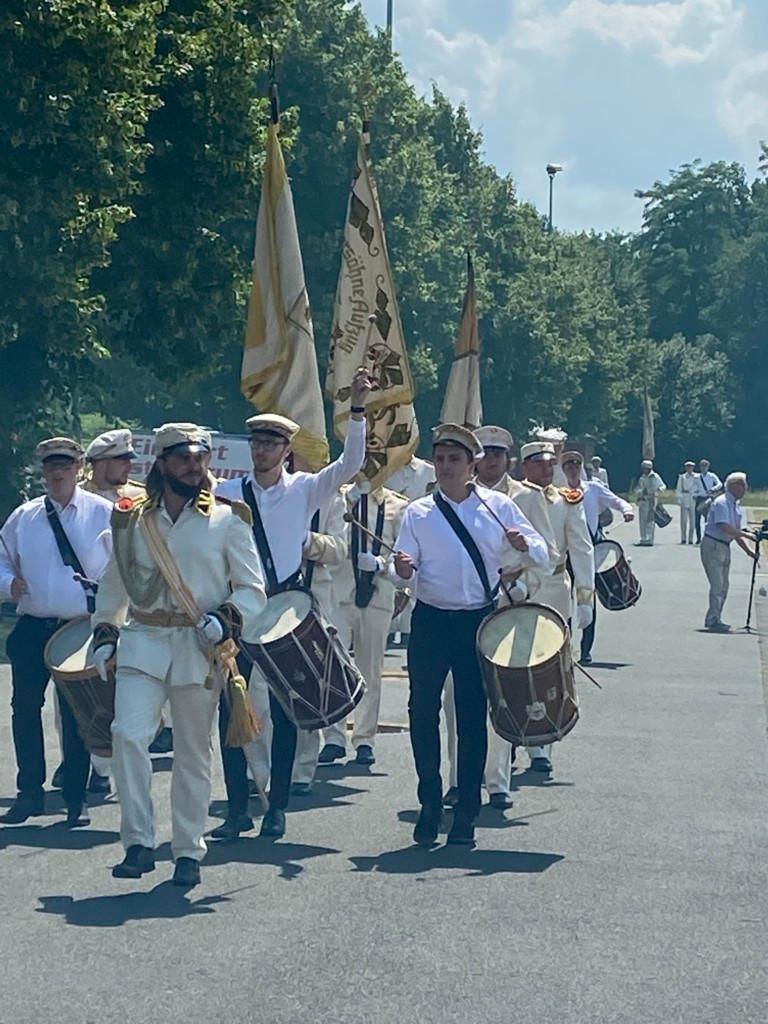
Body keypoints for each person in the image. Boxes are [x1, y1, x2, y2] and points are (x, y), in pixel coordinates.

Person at [91, 422, 266, 887]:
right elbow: (115, 581)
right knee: (127, 735)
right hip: (144, 639)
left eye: (201, 457)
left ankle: (188, 850)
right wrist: (105, 632)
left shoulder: (228, 519)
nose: (195, 466)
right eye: (185, 457)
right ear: (162, 464)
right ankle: (138, 843)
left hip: (197, 644)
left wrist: (226, 618)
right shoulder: (132, 518)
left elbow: (253, 589)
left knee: (192, 751)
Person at [213, 368, 371, 840]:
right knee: (233, 712)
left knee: (285, 713)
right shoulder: (227, 494)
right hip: (241, 609)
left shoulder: (304, 490)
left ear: (287, 450)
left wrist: (358, 408)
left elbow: (350, 463)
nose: (261, 450)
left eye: (270, 443)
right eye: (256, 442)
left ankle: (276, 805)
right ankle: (238, 806)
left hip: (284, 609)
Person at [394, 423, 549, 848]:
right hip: (429, 619)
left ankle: (466, 813)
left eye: (454, 460)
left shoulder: (498, 507)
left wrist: (523, 542)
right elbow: (400, 567)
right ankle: (429, 801)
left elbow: (544, 555)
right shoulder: (418, 511)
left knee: (470, 716)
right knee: (421, 712)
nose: (445, 467)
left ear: (472, 465)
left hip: (475, 621)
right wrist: (401, 570)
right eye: (440, 460)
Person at [0, 438, 113, 826]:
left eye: (64, 463)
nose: (57, 471)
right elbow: (2, 561)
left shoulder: (103, 513)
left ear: (80, 466)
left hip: (78, 627)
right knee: (24, 710)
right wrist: (7, 584)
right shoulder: (24, 517)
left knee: (78, 714)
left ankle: (75, 798)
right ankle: (29, 792)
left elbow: (123, 568)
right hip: (33, 625)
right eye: (51, 465)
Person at [446, 425, 558, 809]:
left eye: (498, 454)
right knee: (454, 700)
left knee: (500, 696)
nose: (491, 460)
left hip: (507, 607)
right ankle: (459, 780)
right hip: (459, 609)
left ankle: (496, 782)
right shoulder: (453, 496)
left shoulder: (526, 498)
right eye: (485, 453)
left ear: (508, 459)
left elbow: (549, 555)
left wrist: (524, 584)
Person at [318, 478, 408, 766]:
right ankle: (333, 736)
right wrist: (351, 499)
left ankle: (365, 738)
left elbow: (404, 556)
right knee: (334, 667)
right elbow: (328, 536)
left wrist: (382, 564)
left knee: (371, 670)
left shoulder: (398, 506)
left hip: (378, 594)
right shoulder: (339, 497)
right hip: (340, 593)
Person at [516, 442, 594, 771]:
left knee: (551, 668)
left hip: (555, 589)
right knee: (517, 666)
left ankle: (543, 741)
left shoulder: (567, 500)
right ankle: (511, 733)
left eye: (550, 464)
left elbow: (581, 547)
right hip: (519, 589)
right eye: (539, 464)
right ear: (525, 467)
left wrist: (585, 596)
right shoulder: (512, 499)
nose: (547, 470)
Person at [289, 491, 348, 795]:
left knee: (307, 680)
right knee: (259, 688)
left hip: (312, 598)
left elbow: (339, 550)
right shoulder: (261, 493)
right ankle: (256, 771)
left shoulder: (330, 500)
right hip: (265, 597)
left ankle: (302, 767)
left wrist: (306, 540)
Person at [561, 452, 633, 666]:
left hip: (587, 550)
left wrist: (627, 510)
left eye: (576, 464)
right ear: (563, 469)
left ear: (581, 467)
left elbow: (616, 500)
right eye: (568, 465)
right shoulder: (557, 491)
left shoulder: (592, 488)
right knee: (563, 601)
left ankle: (585, 651)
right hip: (564, 551)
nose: (573, 468)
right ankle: (563, 647)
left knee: (587, 599)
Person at [700, 472, 756, 633]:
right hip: (713, 545)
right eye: (743, 485)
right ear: (734, 486)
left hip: (725, 545)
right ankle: (713, 620)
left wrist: (749, 551)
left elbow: (735, 532)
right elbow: (724, 526)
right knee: (717, 584)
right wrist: (746, 535)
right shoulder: (722, 503)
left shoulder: (736, 506)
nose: (745, 489)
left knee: (724, 585)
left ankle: (715, 617)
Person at [82, 429, 145, 503]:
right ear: (102, 464)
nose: (129, 467)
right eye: (123, 462)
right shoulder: (75, 494)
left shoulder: (138, 497)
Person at [635, 460, 666, 546]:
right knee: (642, 520)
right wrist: (639, 493)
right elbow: (638, 488)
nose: (644, 470)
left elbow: (663, 486)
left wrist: (656, 491)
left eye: (645, 468)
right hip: (643, 500)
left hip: (651, 500)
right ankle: (643, 538)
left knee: (650, 520)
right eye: (643, 468)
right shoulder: (642, 477)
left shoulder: (655, 476)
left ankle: (650, 539)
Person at [693, 459, 723, 544]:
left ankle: (706, 536)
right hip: (699, 498)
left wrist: (713, 489)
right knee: (697, 519)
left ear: (708, 467)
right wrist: (694, 494)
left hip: (708, 498)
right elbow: (694, 487)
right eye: (702, 466)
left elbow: (719, 484)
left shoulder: (712, 476)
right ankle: (698, 538)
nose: (703, 468)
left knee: (707, 519)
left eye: (705, 466)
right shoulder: (697, 477)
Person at [676, 461, 698, 545]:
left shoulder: (697, 477)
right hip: (684, 497)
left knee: (692, 520)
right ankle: (683, 538)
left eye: (691, 467)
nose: (689, 468)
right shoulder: (682, 477)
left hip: (693, 498)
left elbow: (698, 487)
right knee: (683, 520)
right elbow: (678, 488)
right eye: (687, 467)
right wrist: (679, 499)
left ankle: (691, 538)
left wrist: (696, 495)